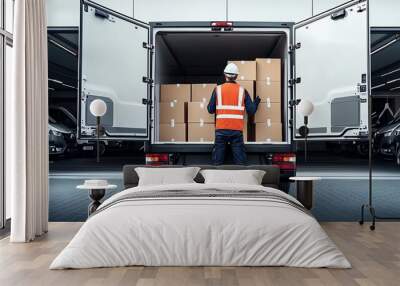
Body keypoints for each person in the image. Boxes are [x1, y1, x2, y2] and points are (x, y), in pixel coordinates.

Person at [207, 63, 261, 165]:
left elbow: (210, 109)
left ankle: (216, 179)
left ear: (225, 75)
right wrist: (256, 102)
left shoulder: (217, 89)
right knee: (240, 163)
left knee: (217, 162)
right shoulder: (242, 91)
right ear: (236, 76)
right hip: (236, 131)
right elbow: (251, 111)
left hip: (221, 130)